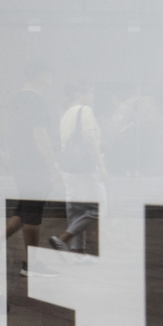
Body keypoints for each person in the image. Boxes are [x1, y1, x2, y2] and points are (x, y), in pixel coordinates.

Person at [6, 61, 61, 277]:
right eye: (49, 74)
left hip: (20, 161)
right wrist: (53, 165)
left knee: (24, 210)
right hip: (34, 163)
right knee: (32, 212)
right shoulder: (35, 99)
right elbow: (40, 134)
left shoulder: (17, 98)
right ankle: (31, 264)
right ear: (41, 75)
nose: (51, 79)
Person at [49, 82, 106, 254]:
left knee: (76, 208)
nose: (92, 97)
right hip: (85, 166)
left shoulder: (65, 113)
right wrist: (101, 166)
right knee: (99, 208)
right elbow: (90, 139)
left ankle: (77, 251)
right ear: (82, 93)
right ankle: (63, 238)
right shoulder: (85, 110)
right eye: (91, 92)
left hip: (68, 166)